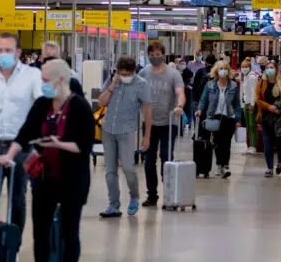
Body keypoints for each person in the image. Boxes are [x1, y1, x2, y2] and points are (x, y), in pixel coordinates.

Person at [0, 59, 94, 262]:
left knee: (69, 231)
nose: (42, 85)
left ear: (60, 80)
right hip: (43, 177)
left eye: (45, 80)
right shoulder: (42, 105)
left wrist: (57, 144)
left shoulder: (79, 107)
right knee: (40, 229)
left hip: (72, 178)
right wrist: (9, 155)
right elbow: (26, 132)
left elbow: (85, 145)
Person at [0, 32, 42, 231]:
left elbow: (40, 109)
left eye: (8, 50)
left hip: (21, 146)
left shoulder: (32, 76)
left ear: (18, 52)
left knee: (18, 199)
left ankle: (11, 245)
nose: (3, 54)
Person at [97, 55, 152, 217]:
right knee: (110, 170)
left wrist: (146, 135)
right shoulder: (112, 81)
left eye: (128, 74)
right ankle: (113, 205)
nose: (125, 77)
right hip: (108, 130)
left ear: (134, 71)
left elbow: (147, 111)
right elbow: (101, 102)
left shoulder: (141, 85)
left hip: (126, 131)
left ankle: (134, 196)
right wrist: (112, 85)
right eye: (122, 74)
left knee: (128, 167)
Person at [138, 43, 185, 207]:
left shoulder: (173, 74)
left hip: (168, 123)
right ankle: (152, 195)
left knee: (166, 157)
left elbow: (180, 92)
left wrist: (179, 106)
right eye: (151, 53)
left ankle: (169, 195)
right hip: (149, 124)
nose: (154, 56)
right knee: (149, 160)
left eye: (157, 53)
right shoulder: (143, 73)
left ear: (163, 55)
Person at [195, 60, 242, 178]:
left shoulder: (233, 85)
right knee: (217, 142)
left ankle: (225, 166)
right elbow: (203, 99)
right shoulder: (210, 84)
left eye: (225, 68)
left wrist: (238, 119)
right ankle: (220, 165)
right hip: (214, 116)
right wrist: (200, 109)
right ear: (216, 71)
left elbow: (236, 103)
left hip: (229, 118)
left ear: (228, 71)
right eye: (220, 69)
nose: (223, 71)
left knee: (226, 143)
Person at [255, 61, 281, 178]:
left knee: (280, 142)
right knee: (267, 143)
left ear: (276, 70)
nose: (269, 69)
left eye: (271, 67)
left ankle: (280, 161)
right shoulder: (261, 83)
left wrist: (278, 108)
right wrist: (268, 107)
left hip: (280, 117)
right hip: (266, 117)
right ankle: (269, 168)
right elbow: (257, 99)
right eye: (267, 68)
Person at [239, 57, 260, 154]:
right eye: (242, 66)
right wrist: (243, 105)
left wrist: (252, 104)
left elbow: (254, 92)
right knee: (248, 125)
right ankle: (250, 145)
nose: (244, 68)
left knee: (252, 125)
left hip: (251, 104)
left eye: (246, 66)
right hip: (246, 104)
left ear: (250, 67)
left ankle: (253, 146)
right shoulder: (244, 77)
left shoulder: (252, 77)